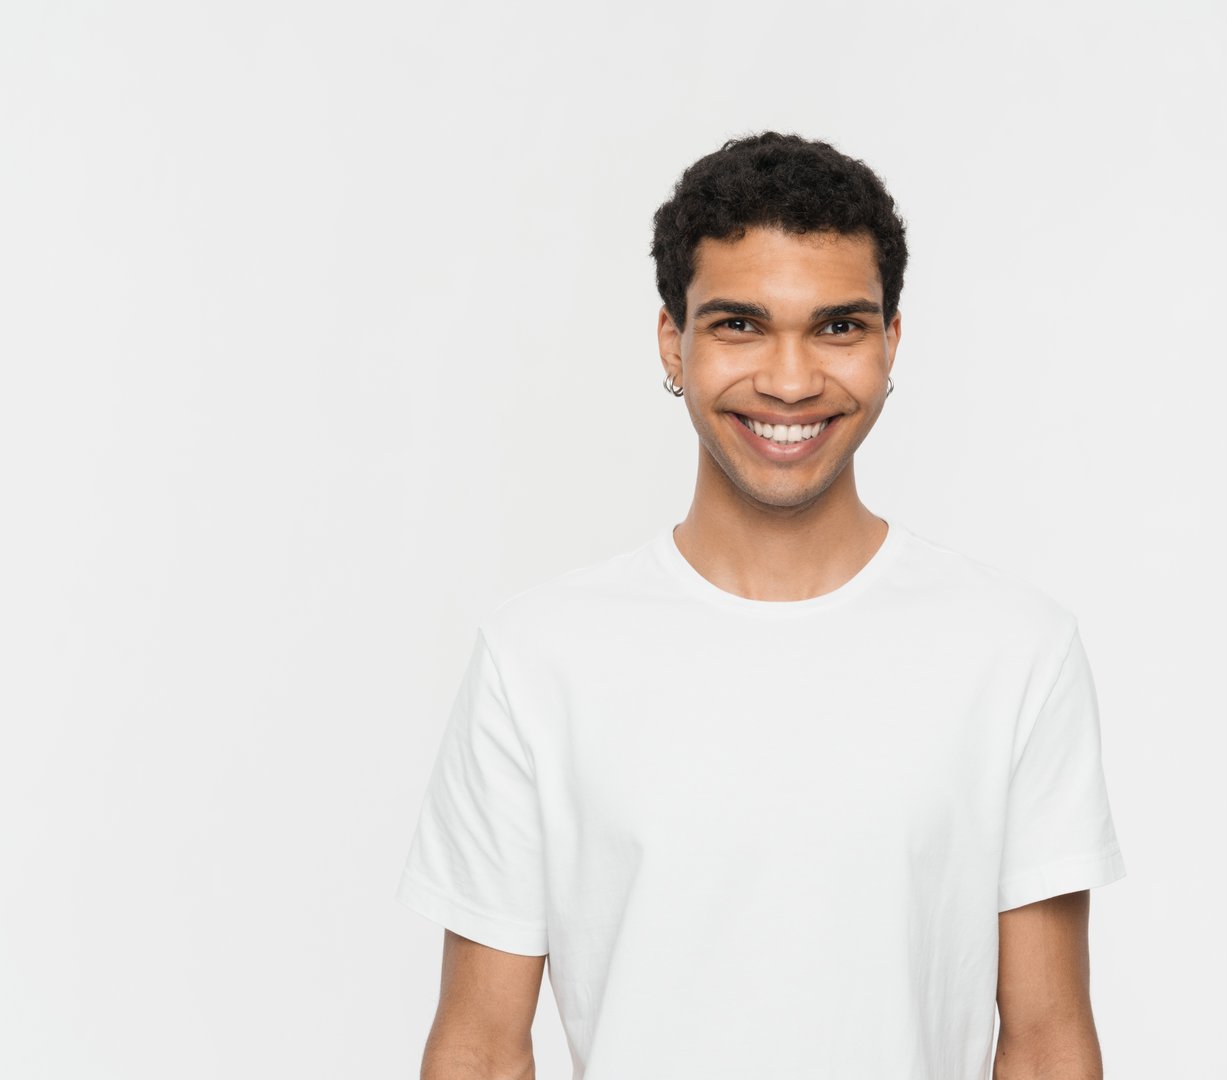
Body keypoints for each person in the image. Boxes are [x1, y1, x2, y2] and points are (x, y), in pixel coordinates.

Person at [395, 131, 1127, 1080]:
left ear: (889, 341)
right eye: (741, 325)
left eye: (837, 327)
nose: (789, 380)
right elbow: (480, 1050)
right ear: (674, 340)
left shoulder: (1015, 651)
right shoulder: (538, 659)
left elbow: (1046, 1044)